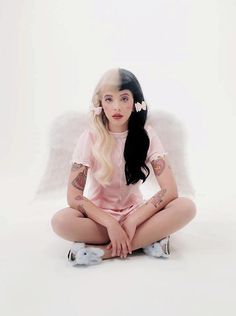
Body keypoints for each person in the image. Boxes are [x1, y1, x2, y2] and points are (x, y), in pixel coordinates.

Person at [51, 68, 197, 266]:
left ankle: (105, 251)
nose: (117, 107)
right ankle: (146, 240)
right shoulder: (90, 137)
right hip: (100, 218)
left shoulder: (147, 135)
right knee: (61, 221)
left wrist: (132, 220)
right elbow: (73, 197)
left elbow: (170, 191)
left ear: (135, 101)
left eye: (124, 98)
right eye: (109, 99)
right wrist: (110, 223)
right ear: (100, 103)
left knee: (186, 207)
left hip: (136, 213)